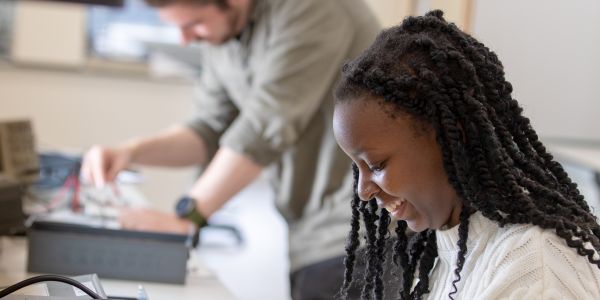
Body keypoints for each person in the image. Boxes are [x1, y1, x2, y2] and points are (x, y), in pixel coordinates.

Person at [81, 0, 381, 298]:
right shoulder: (223, 36)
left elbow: (265, 126)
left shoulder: (313, 9)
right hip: (309, 234)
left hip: (364, 224)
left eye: (193, 23)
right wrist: (131, 152)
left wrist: (188, 219)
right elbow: (208, 129)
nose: (186, 40)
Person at [332, 10, 600, 300]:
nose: (363, 191)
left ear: (452, 136)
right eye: (357, 168)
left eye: (376, 165)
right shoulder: (444, 254)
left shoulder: (535, 272)